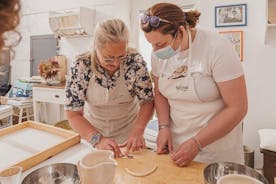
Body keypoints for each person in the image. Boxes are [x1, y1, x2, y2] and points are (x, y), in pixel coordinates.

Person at [140, 3, 248, 166]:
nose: (155, 51)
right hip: (177, 148)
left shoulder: (217, 48)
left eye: (160, 44)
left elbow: (237, 108)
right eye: (151, 45)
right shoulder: (158, 56)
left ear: (181, 31)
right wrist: (163, 127)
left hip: (216, 150)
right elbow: (160, 94)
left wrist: (197, 142)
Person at [65, 19, 154, 158]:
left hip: (130, 136)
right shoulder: (82, 66)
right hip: (92, 135)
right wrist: (97, 139)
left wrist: (138, 130)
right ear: (96, 47)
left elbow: (147, 102)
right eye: (108, 58)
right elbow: (73, 114)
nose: (116, 63)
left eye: (121, 56)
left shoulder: (134, 63)